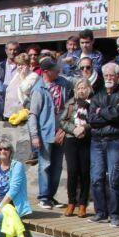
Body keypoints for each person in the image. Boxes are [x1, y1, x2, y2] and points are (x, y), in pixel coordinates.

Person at [88, 62, 119, 227]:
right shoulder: (97, 95)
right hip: (97, 141)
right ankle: (100, 213)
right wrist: (108, 114)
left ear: (118, 76)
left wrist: (102, 112)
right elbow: (92, 119)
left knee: (115, 179)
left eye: (112, 75)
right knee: (96, 178)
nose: (109, 78)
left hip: (115, 140)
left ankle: (115, 215)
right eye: (106, 75)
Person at [27, 57, 69, 209]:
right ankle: (43, 197)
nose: (58, 70)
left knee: (57, 166)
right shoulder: (39, 89)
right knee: (45, 164)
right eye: (54, 69)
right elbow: (33, 115)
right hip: (45, 132)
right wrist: (35, 136)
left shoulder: (63, 83)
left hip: (61, 131)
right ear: (45, 72)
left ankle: (51, 196)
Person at [57, 77, 93, 217]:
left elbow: (96, 121)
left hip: (86, 140)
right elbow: (62, 121)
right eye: (79, 88)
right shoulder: (71, 103)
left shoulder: (93, 103)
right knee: (72, 172)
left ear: (89, 88)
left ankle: (83, 204)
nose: (81, 90)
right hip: (71, 140)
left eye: (84, 87)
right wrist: (74, 129)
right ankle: (72, 202)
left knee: (84, 172)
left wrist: (84, 128)